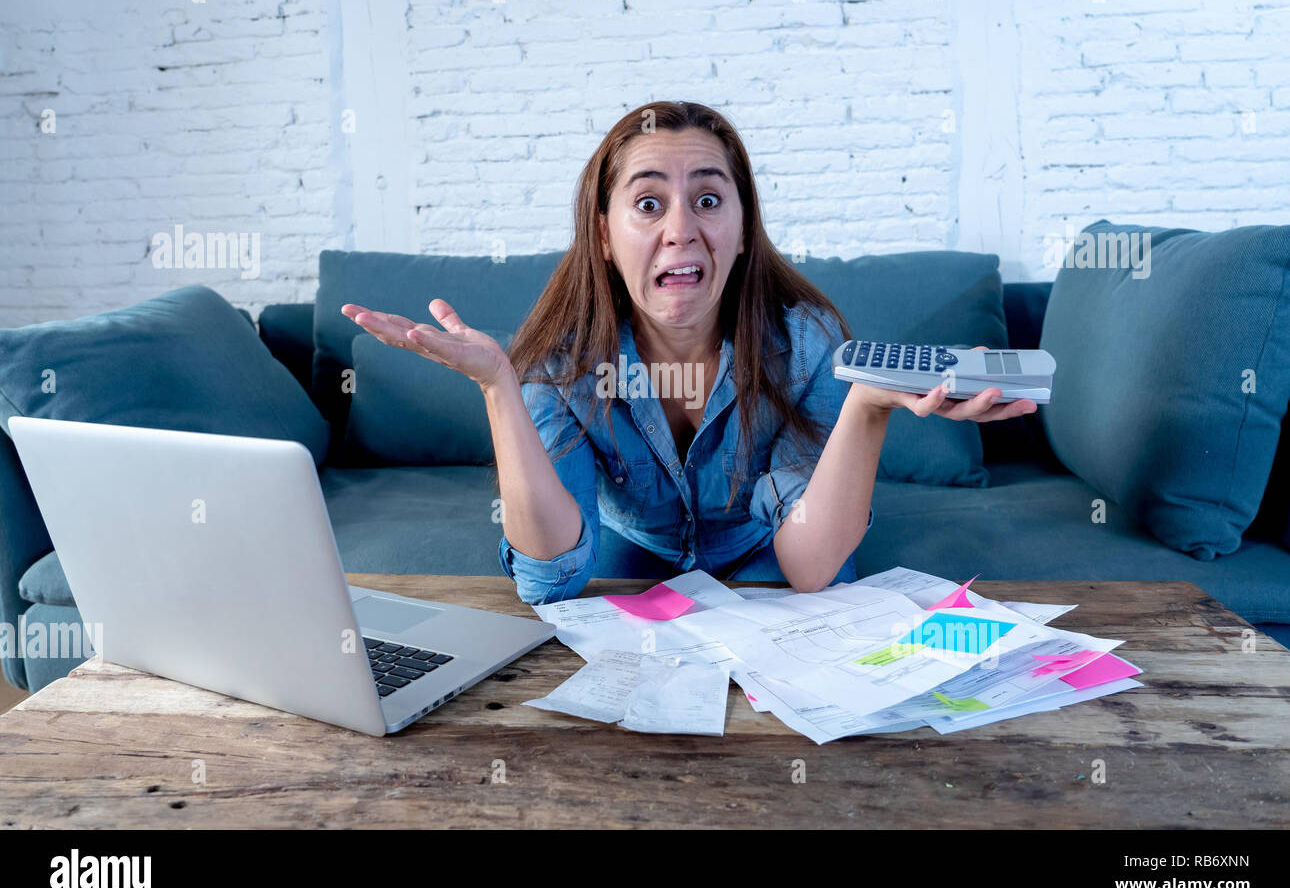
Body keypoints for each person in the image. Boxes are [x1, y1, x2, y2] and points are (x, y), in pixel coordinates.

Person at [343, 101, 1035, 605]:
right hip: (632, 549)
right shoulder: (560, 364)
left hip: (758, 549)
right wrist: (499, 385)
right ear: (606, 238)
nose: (681, 229)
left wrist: (870, 406)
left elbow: (809, 565)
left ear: (741, 232)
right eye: (648, 204)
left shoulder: (809, 344)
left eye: (708, 198)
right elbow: (549, 577)